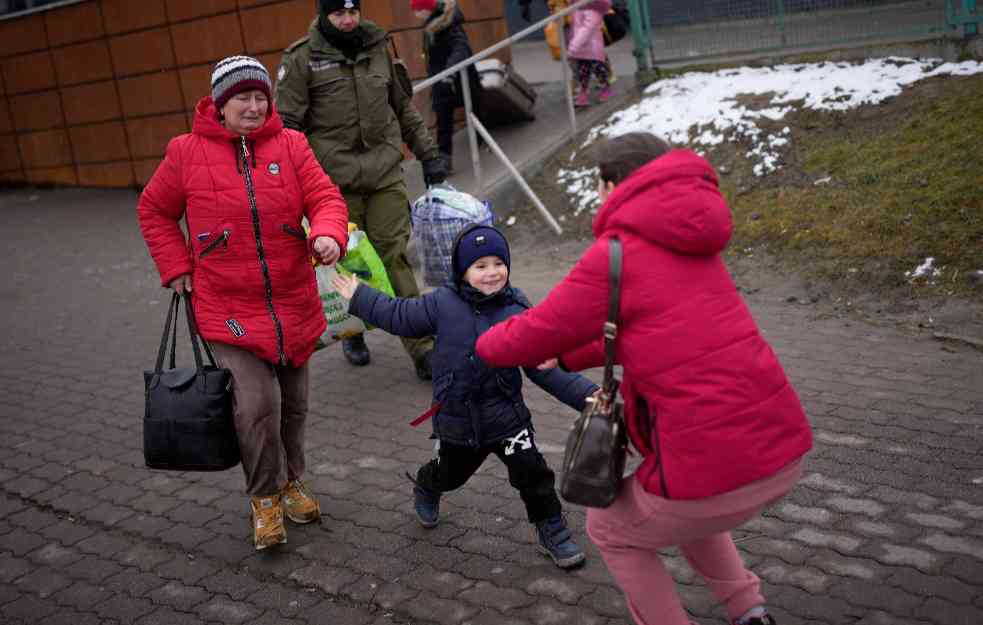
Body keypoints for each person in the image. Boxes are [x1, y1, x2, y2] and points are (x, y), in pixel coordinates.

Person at [475, 133, 812, 625]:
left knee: (611, 527)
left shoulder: (618, 253)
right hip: (780, 451)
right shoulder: (695, 240)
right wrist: (567, 359)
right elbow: (651, 327)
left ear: (614, 183)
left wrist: (483, 339)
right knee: (685, 507)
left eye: (598, 185)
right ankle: (749, 612)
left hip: (716, 467)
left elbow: (532, 332)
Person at [137, 56, 350, 551]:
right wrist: (177, 268)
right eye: (242, 99)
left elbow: (325, 198)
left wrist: (326, 234)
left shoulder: (292, 145)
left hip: (293, 302)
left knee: (294, 406)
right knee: (258, 405)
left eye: (261, 98)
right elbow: (154, 210)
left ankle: (294, 478)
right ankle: (265, 497)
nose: (254, 107)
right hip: (227, 308)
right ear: (219, 104)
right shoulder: (185, 152)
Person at [331, 224, 598, 569]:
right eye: (480, 266)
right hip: (458, 421)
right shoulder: (442, 303)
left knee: (533, 473)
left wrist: (589, 395)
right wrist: (360, 297)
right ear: (463, 270)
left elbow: (544, 366)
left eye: (497, 263)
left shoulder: (518, 310)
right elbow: (400, 316)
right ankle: (428, 486)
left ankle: (552, 528)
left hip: (507, 418)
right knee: (450, 476)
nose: (491, 273)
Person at [275, 0, 447, 380]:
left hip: (385, 173)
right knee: (348, 263)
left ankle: (423, 348)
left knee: (395, 256)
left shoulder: (378, 47)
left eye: (353, 12)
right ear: (325, 15)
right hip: (333, 186)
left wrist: (428, 154)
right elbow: (286, 129)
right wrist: (287, 185)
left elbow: (402, 108)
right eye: (339, 14)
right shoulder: (303, 59)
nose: (348, 20)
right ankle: (353, 329)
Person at [411, 0, 482, 176]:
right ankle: (445, 159)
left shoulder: (450, 24)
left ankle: (481, 142)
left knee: (474, 111)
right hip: (442, 81)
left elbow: (462, 48)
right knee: (443, 121)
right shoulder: (432, 22)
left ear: (427, 8)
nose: (416, 15)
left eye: (418, 10)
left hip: (457, 79)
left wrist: (449, 71)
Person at [568, 0, 612, 107]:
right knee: (582, 71)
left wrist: (573, 46)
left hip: (592, 47)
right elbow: (576, 27)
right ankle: (583, 92)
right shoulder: (579, 7)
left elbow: (587, 29)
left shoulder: (592, 9)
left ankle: (606, 88)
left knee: (598, 69)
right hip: (581, 47)